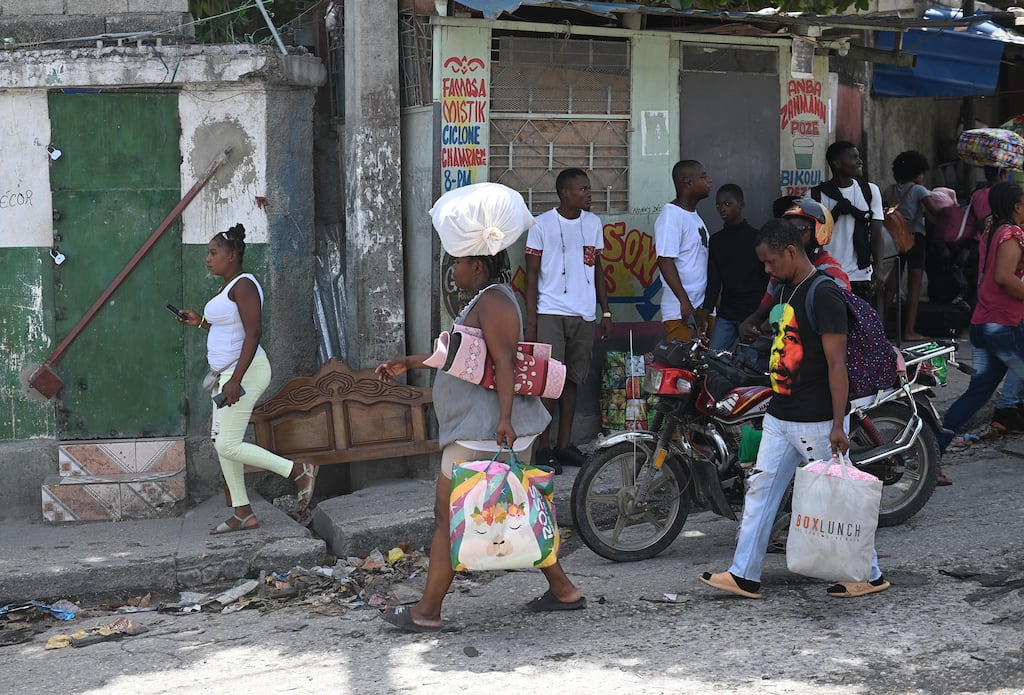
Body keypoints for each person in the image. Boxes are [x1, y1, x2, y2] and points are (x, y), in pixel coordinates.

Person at [377, 202, 585, 633]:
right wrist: (407, 361)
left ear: (478, 263)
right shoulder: (485, 299)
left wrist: (505, 419)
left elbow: (505, 363)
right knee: (519, 510)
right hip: (486, 426)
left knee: (448, 516)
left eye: (458, 261)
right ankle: (563, 590)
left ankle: (427, 612)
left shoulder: (494, 301)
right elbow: (465, 357)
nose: (453, 268)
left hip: (487, 428)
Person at [702, 219, 889, 600]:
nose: (767, 271)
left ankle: (869, 574)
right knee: (760, 490)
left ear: (790, 252)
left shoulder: (823, 294)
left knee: (840, 495)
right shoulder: (787, 289)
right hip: (781, 413)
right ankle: (744, 575)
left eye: (770, 262)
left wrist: (839, 424)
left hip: (818, 418)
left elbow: (837, 365)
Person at [177, 224, 315, 535]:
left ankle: (298, 470)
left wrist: (236, 380)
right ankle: (242, 512)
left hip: (245, 373)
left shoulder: (244, 286)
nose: (208, 259)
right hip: (227, 374)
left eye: (214, 253)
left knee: (227, 442)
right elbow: (231, 330)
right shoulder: (228, 287)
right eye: (208, 254)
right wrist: (200, 323)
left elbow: (254, 332)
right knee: (220, 443)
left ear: (233, 255)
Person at [525, 168, 612, 473]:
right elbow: (532, 275)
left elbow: (598, 270)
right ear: (565, 193)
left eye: (589, 188)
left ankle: (564, 445)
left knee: (574, 379)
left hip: (584, 313)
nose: (589, 194)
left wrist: (606, 311)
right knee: (549, 382)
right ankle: (543, 447)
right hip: (551, 311)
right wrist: (532, 320)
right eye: (583, 189)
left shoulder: (593, 224)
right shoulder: (541, 225)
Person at [938, 182, 1024, 451]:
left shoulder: (991, 230)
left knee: (976, 395)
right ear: (1017, 207)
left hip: (984, 323)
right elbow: (1003, 277)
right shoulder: (1012, 233)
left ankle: (933, 452)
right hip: (1002, 326)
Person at [739, 199, 846, 342]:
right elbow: (762, 311)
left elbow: (835, 326)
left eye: (799, 231)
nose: (791, 237)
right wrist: (749, 324)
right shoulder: (780, 272)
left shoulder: (833, 275)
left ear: (820, 232)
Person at [812, 141, 885, 305]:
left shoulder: (870, 191)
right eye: (854, 157)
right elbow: (812, 237)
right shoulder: (815, 195)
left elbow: (876, 232)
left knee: (861, 326)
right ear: (837, 164)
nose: (860, 161)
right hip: (827, 273)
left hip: (860, 274)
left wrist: (878, 269)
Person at [882, 150, 942, 342]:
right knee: (914, 286)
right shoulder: (919, 190)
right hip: (916, 240)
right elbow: (934, 211)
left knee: (890, 286)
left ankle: (880, 329)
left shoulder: (888, 190)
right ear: (917, 173)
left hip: (893, 242)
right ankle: (909, 330)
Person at [702, 184, 768, 352]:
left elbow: (767, 278)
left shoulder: (756, 238)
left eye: (727, 204)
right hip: (727, 313)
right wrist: (706, 312)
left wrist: (766, 313)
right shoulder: (717, 241)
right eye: (718, 205)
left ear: (741, 205)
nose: (722, 209)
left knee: (750, 364)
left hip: (753, 313)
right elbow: (714, 280)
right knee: (715, 358)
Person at [655, 160, 712, 342]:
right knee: (683, 367)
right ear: (688, 183)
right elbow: (665, 260)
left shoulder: (693, 216)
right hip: (682, 311)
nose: (709, 180)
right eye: (703, 176)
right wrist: (684, 301)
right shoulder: (671, 215)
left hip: (700, 307)